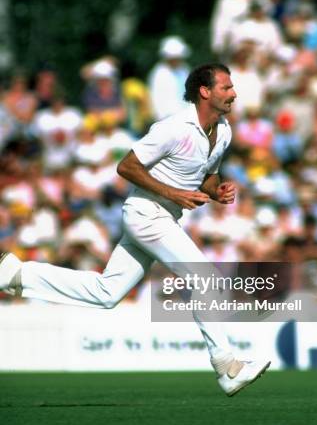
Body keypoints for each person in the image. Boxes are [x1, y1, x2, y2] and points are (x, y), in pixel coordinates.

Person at [0, 63, 271, 396]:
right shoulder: (173, 127)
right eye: (226, 88)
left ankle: (16, 275)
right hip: (146, 213)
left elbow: (207, 176)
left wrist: (217, 191)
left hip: (162, 217)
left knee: (107, 293)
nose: (233, 93)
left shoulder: (224, 130)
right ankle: (226, 366)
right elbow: (126, 166)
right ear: (205, 92)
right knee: (205, 278)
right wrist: (174, 193)